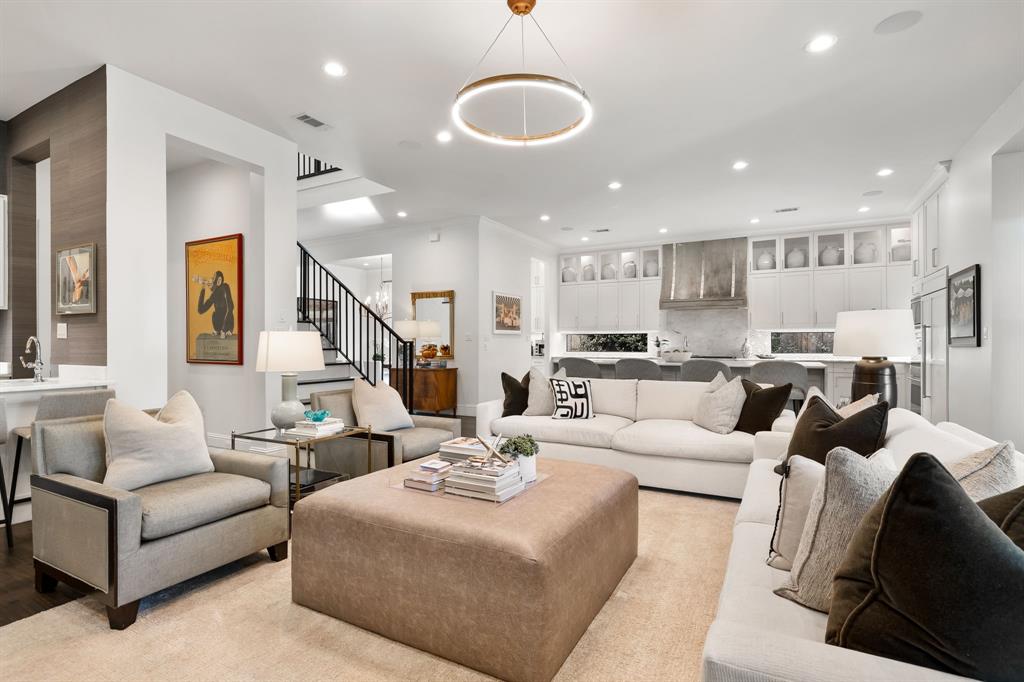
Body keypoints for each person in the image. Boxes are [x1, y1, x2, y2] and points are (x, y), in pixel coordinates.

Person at [198, 270, 235, 339]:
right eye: (216, 278)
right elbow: (200, 310)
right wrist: (203, 288)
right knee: (214, 314)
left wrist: (224, 329)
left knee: (228, 310)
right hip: (218, 327)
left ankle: (223, 330)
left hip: (227, 325)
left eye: (220, 278)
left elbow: (231, 307)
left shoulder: (225, 287)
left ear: (222, 279)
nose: (218, 280)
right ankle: (218, 330)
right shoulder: (214, 295)